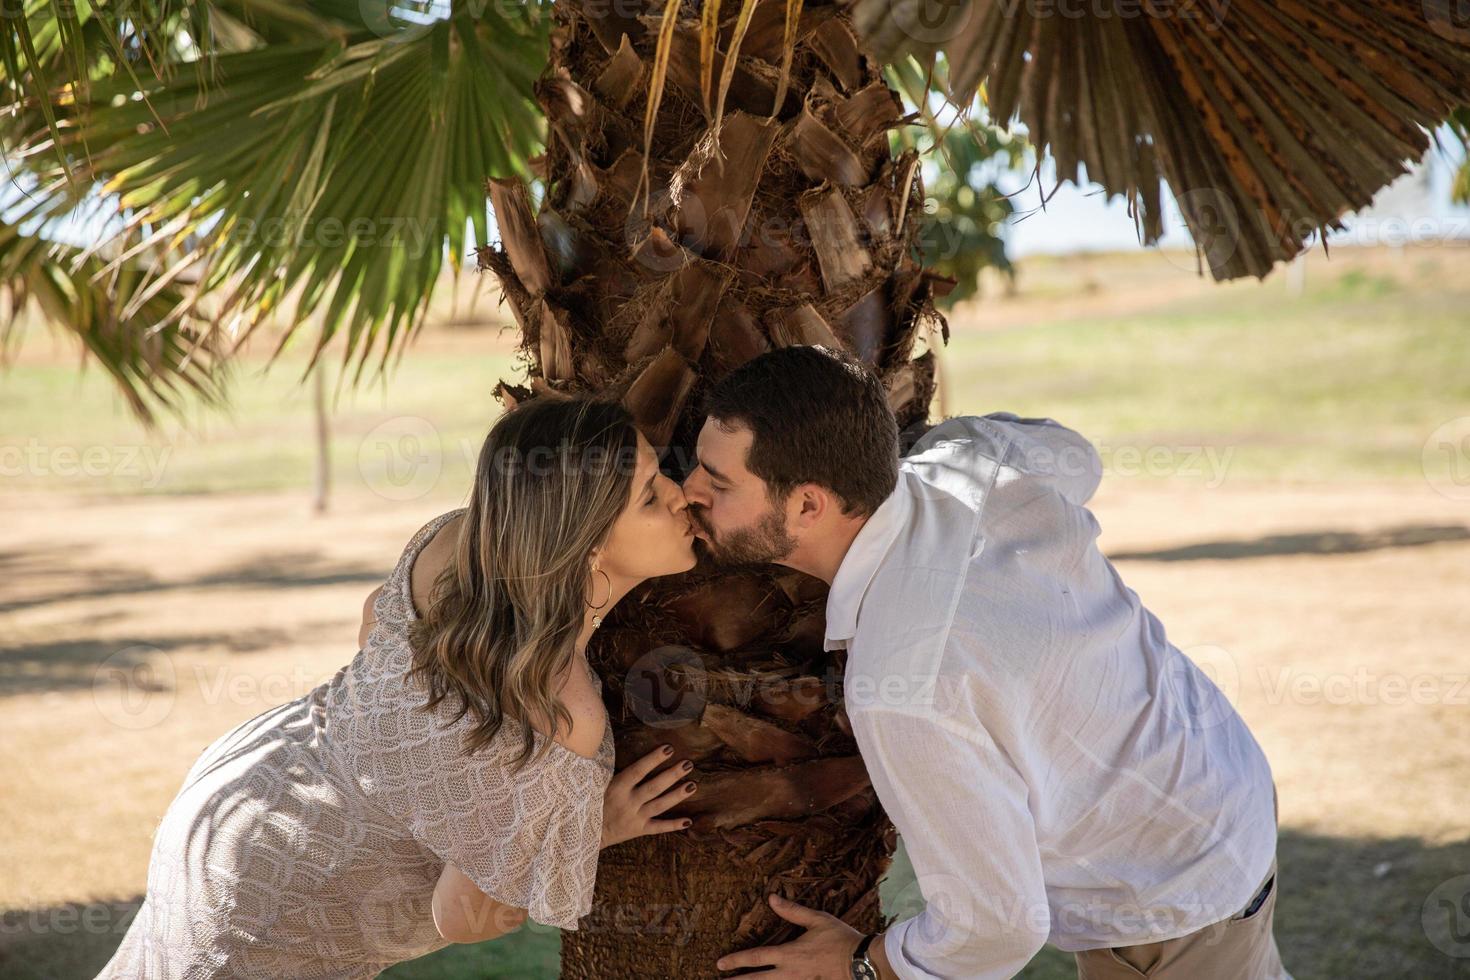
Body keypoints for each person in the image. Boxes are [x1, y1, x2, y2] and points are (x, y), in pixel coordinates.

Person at [688, 346, 1287, 980]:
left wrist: (864, 964)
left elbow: (997, 926)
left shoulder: (904, 683)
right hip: (1224, 780)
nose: (688, 489)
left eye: (717, 482)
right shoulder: (971, 460)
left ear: (809, 506)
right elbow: (1076, 456)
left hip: (1175, 902)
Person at [98, 396, 701, 978]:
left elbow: (372, 625)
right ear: (587, 542)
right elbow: (463, 917)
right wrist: (590, 830)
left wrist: (412, 760)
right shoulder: (560, 709)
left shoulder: (455, 544)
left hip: (243, 793)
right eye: (651, 495)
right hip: (277, 915)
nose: (681, 495)